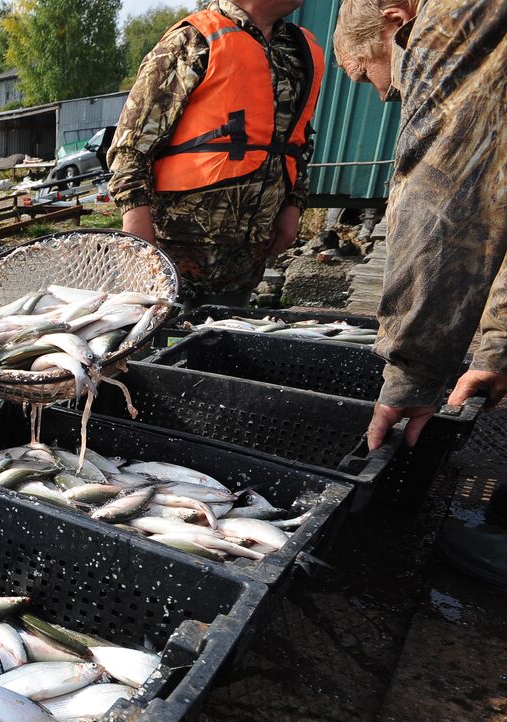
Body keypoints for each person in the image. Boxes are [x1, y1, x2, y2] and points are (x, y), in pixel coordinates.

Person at [334, 0, 507, 588]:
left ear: (393, 21)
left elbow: (444, 206)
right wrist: (497, 349)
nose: (380, 94)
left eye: (365, 72)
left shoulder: (449, 18)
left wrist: (411, 375)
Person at [108, 0, 325, 304]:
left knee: (226, 342)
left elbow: (298, 142)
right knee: (161, 345)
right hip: (175, 253)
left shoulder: (297, 51)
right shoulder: (192, 40)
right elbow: (131, 145)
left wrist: (294, 205)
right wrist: (136, 226)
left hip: (250, 256)